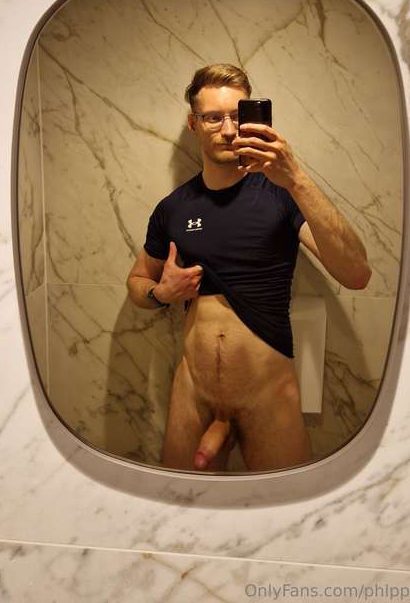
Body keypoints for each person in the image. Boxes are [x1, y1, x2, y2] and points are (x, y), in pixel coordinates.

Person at [126, 64, 372, 472]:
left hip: (269, 394)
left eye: (237, 116)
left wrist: (296, 179)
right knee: (182, 504)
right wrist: (161, 294)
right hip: (194, 392)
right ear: (193, 123)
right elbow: (137, 282)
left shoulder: (282, 194)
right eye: (213, 118)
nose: (228, 130)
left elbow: (357, 274)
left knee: (283, 506)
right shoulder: (173, 208)